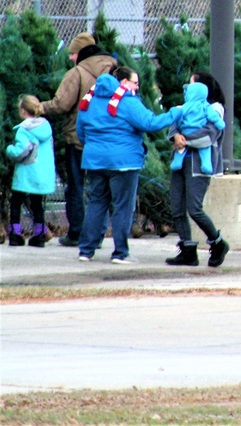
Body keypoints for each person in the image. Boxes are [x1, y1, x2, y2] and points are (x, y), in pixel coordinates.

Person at [76, 67, 179, 263]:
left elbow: (81, 132)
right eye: (135, 82)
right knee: (123, 206)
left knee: (97, 203)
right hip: (124, 162)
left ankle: (86, 251)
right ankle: (120, 252)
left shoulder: (89, 101)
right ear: (122, 83)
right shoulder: (127, 102)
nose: (138, 87)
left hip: (95, 160)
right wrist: (175, 113)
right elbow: (150, 123)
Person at [40, 32, 117, 246]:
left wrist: (39, 107)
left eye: (73, 53)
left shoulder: (78, 73)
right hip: (108, 139)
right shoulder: (116, 69)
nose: (71, 58)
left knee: (76, 186)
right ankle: (98, 234)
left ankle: (77, 233)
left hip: (79, 137)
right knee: (100, 188)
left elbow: (61, 104)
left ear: (80, 53)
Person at [165, 72, 231, 267]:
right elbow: (174, 126)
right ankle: (187, 250)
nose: (186, 87)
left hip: (199, 165)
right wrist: (175, 136)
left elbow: (209, 135)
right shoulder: (185, 107)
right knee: (177, 207)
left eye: (191, 84)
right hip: (180, 159)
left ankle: (218, 243)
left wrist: (182, 138)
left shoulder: (214, 110)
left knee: (194, 208)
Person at [5, 95, 57, 247]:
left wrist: (10, 149)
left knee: (15, 202)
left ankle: (15, 234)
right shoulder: (46, 127)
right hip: (42, 173)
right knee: (37, 203)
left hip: (26, 173)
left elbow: (22, 151)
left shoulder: (23, 130)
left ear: (22, 111)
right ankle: (39, 234)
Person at [169, 81, 226, 174]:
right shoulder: (205, 106)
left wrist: (180, 135)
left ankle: (177, 161)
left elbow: (178, 118)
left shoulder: (185, 106)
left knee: (181, 150)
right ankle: (206, 164)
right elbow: (213, 117)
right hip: (193, 137)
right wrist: (220, 123)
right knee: (205, 150)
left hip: (185, 133)